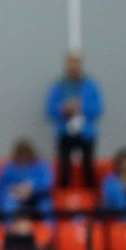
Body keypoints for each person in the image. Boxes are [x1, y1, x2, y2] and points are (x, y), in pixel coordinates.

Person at [46, 51, 103, 188]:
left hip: (86, 133)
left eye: (76, 63)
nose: (73, 66)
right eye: (70, 63)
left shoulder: (91, 85)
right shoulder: (58, 86)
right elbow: (49, 110)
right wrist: (63, 109)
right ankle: (63, 199)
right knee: (64, 168)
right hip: (64, 132)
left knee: (88, 167)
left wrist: (80, 107)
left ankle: (91, 199)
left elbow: (98, 108)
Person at [0, 138, 53, 215]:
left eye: (26, 154)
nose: (24, 157)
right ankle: (8, 226)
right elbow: (2, 185)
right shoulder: (9, 166)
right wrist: (15, 189)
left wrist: (32, 188)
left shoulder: (42, 165)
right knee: (8, 205)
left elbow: (47, 184)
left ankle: (47, 227)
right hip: (16, 197)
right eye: (21, 154)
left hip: (38, 197)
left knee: (46, 206)